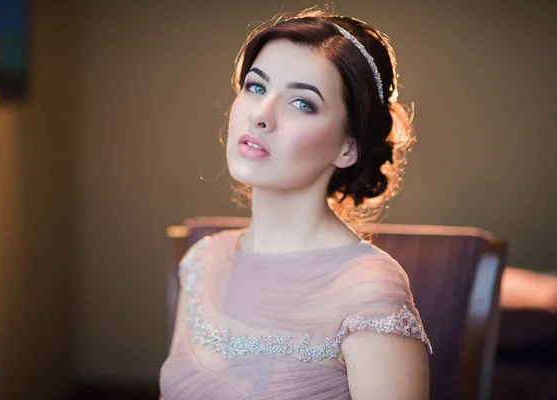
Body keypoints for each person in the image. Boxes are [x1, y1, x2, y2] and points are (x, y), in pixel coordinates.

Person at [160, 7, 432, 400]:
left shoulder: (369, 289)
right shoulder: (202, 263)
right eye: (256, 87)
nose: (261, 116)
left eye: (302, 103)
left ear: (347, 147)